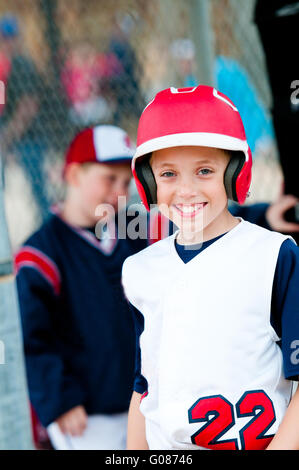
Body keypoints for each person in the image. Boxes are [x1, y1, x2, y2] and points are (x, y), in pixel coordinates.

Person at [122, 85, 299, 450]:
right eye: (168, 174)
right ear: (148, 181)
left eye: (204, 170)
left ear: (236, 172)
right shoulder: (140, 272)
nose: (185, 190)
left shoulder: (274, 257)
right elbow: (144, 389)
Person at [15, 124, 148, 450]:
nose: (119, 191)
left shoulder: (132, 230)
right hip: (86, 414)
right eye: (108, 178)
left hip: (142, 401)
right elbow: (31, 339)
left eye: (126, 182)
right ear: (74, 176)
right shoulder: (42, 252)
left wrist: (264, 215)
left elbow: (193, 227)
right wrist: (59, 399)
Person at [0, 14, 50, 220]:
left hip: (30, 137)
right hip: (16, 137)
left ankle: (51, 242)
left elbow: (28, 106)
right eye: (4, 37)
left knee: (39, 196)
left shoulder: (23, 64)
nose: (7, 42)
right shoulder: (7, 65)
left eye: (10, 37)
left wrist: (7, 136)